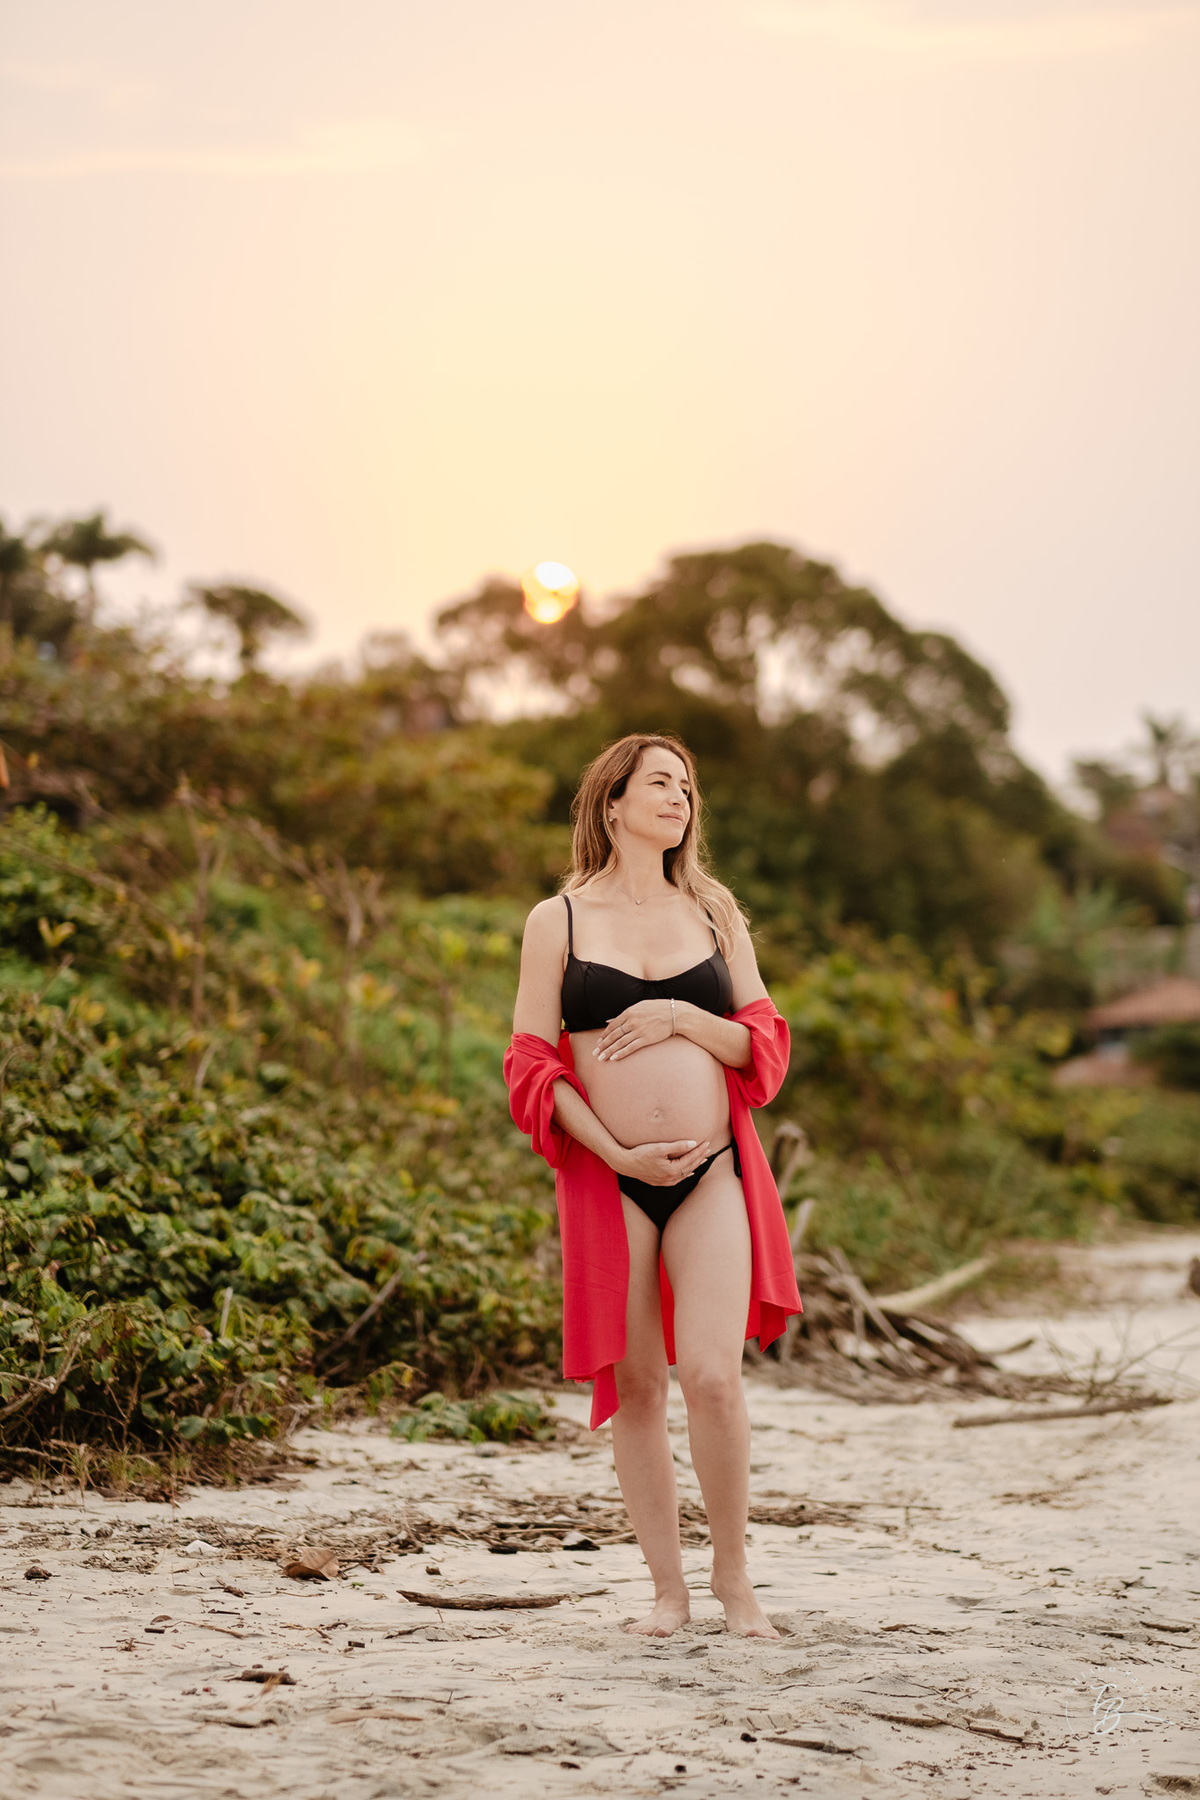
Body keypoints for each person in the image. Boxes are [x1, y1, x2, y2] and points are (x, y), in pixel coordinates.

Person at [505, 733, 801, 1638]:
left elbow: (762, 1043)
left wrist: (680, 1016)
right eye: (660, 783)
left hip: (713, 1173)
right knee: (638, 1388)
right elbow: (531, 1062)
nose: (679, 798)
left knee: (712, 1377)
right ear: (612, 803)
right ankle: (668, 1592)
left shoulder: (714, 911)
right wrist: (616, 1151)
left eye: (687, 787)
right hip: (611, 1178)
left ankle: (734, 1579)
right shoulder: (557, 919)